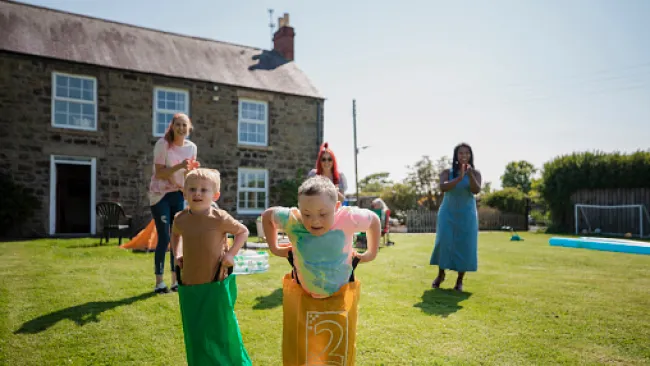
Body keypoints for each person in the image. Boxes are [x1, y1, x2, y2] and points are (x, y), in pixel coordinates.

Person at [170, 168, 251, 365]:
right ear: (184, 193)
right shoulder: (180, 218)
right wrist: (177, 253)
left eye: (204, 190)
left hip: (216, 283)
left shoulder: (220, 217)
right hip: (190, 284)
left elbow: (243, 232)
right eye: (192, 189)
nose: (197, 193)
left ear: (215, 195)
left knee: (221, 330)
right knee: (196, 331)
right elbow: (175, 235)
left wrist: (231, 254)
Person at [261, 175, 381, 298]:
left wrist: (371, 254)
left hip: (340, 295)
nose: (315, 221)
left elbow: (374, 221)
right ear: (300, 207)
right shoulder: (293, 220)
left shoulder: (348, 218)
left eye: (323, 214)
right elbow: (267, 216)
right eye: (306, 214)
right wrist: (275, 248)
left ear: (336, 207)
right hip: (303, 295)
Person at [148, 113, 199, 294]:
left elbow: (187, 175)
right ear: (172, 126)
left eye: (184, 125)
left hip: (178, 194)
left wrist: (191, 188)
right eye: (178, 124)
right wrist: (180, 166)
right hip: (160, 194)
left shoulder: (192, 147)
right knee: (164, 237)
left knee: (176, 237)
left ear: (189, 127)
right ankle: (159, 282)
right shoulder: (163, 144)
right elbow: (160, 173)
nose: (181, 128)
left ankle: (176, 281)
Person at [430, 142, 481, 292]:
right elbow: (443, 187)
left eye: (467, 153)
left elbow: (476, 190)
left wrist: (470, 175)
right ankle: (440, 274)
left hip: (467, 214)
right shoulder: (447, 172)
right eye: (461, 153)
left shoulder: (476, 173)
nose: (464, 156)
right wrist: (459, 178)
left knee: (465, 245)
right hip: (448, 213)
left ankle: (459, 280)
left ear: (470, 155)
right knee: (444, 242)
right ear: (456, 156)